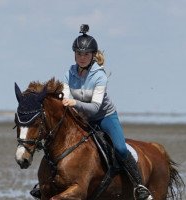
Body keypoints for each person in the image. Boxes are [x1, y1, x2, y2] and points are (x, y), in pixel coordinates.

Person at [62, 24, 153, 200]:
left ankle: (140, 186)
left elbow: (95, 107)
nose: (82, 58)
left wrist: (74, 102)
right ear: (74, 54)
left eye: (86, 54)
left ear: (93, 55)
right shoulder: (69, 74)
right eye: (79, 54)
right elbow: (66, 101)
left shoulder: (99, 76)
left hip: (104, 117)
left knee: (119, 148)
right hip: (82, 118)